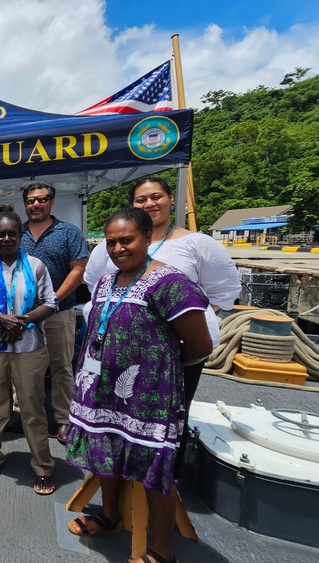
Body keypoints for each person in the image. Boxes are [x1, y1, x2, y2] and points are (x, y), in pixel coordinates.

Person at [67, 207, 211, 563]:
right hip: (103, 391)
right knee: (106, 452)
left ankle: (161, 549)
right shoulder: (105, 281)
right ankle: (109, 514)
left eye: (126, 240)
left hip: (149, 397)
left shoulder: (171, 284)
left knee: (152, 466)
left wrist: (157, 372)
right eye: (112, 242)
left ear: (148, 238)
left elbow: (199, 346)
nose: (118, 248)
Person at [83, 177, 239, 473]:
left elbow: (224, 290)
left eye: (156, 196)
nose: (149, 203)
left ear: (170, 199)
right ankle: (119, 479)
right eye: (141, 199)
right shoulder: (109, 246)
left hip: (173, 354)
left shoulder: (195, 244)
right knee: (113, 416)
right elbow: (95, 283)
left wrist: (185, 317)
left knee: (164, 421)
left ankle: (161, 483)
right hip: (113, 352)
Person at [0, 205, 58, 495]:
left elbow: (50, 301)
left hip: (29, 346)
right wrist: (0, 318)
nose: (6, 239)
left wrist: (25, 320)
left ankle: (42, 465)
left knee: (32, 407)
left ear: (20, 236)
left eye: (12, 234)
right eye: (0, 234)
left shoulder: (36, 266)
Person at [19, 182, 89, 444]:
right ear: (25, 204)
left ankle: (63, 420)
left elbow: (77, 270)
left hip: (59, 312)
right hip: (24, 316)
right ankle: (28, 415)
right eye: (31, 200)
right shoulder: (17, 233)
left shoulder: (69, 232)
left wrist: (52, 300)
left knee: (61, 367)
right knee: (26, 367)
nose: (36, 204)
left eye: (42, 199)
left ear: (52, 202)